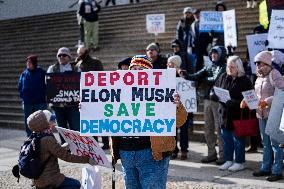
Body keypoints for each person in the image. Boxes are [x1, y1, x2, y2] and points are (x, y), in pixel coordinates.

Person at [110, 55, 187, 189]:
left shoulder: (162, 91)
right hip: (126, 154)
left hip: (152, 154)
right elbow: (103, 114)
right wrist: (88, 105)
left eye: (142, 69)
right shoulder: (118, 91)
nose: (137, 72)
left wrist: (177, 106)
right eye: (134, 69)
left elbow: (179, 121)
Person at [27, 110, 97, 189]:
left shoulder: (34, 136)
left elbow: (46, 152)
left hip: (38, 180)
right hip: (50, 179)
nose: (53, 122)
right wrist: (87, 159)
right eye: (51, 120)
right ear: (44, 123)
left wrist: (62, 147)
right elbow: (66, 156)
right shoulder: (48, 139)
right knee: (75, 184)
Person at [181, 46, 227, 165]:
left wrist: (203, 79)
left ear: (221, 54)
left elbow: (214, 79)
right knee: (208, 128)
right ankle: (211, 153)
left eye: (216, 53)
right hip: (207, 99)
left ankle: (223, 155)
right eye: (212, 53)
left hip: (218, 101)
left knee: (219, 128)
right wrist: (186, 75)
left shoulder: (224, 66)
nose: (213, 55)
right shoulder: (208, 66)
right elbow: (196, 75)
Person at [242, 51, 284, 182]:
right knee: (265, 143)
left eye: (260, 63)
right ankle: (265, 167)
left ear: (267, 62)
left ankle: (277, 171)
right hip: (261, 114)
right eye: (256, 63)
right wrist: (247, 100)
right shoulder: (258, 77)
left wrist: (267, 101)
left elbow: (282, 92)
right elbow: (256, 95)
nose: (258, 66)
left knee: (275, 144)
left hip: (274, 113)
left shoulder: (275, 74)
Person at [215, 56, 253, 171]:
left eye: (232, 67)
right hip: (224, 114)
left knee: (238, 140)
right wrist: (215, 94)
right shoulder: (223, 76)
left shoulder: (245, 80)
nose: (229, 69)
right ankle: (228, 160)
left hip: (238, 115)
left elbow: (249, 99)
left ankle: (239, 162)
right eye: (228, 66)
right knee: (226, 139)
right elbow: (216, 87)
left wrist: (235, 102)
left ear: (238, 67)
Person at [75, 45, 109, 149]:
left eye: (81, 52)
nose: (80, 54)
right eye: (78, 53)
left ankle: (105, 142)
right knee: (90, 119)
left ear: (86, 51)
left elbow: (101, 77)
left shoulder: (95, 62)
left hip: (97, 95)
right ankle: (94, 142)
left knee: (101, 119)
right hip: (85, 95)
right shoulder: (78, 64)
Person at [47, 47, 80, 143]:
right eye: (59, 55)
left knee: (75, 126)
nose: (61, 57)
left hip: (73, 103)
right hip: (58, 104)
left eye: (64, 55)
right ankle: (65, 146)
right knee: (61, 127)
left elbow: (81, 82)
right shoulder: (52, 68)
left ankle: (77, 144)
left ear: (69, 57)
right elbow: (48, 82)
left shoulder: (76, 68)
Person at [167, 55, 193, 160]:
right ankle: (174, 150)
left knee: (184, 130)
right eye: (168, 63)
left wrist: (180, 72)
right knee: (172, 131)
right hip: (171, 107)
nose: (168, 65)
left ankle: (184, 150)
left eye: (171, 63)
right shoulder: (166, 76)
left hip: (183, 108)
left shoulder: (183, 74)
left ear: (176, 64)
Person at [18, 55, 47, 137]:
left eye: (30, 62)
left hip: (40, 102)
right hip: (28, 103)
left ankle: (42, 137)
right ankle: (30, 138)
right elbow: (20, 86)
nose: (28, 64)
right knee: (28, 121)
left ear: (34, 63)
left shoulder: (41, 72)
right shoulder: (24, 74)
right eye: (27, 62)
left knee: (42, 121)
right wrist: (23, 96)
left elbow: (47, 85)